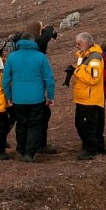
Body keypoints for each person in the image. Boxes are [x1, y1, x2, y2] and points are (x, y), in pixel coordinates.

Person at [1, 32, 55, 162]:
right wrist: (50, 96)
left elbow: (5, 80)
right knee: (35, 124)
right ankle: (30, 152)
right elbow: (49, 79)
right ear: (33, 42)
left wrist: (9, 95)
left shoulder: (12, 57)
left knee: (21, 123)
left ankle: (22, 149)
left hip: (18, 97)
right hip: (37, 97)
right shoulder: (41, 57)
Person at [69, 32, 105, 160]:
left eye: (78, 43)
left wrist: (76, 71)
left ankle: (90, 150)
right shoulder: (84, 56)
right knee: (81, 125)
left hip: (90, 100)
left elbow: (93, 79)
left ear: (86, 43)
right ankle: (89, 147)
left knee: (87, 126)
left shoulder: (94, 58)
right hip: (83, 97)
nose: (76, 46)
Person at [34, 23, 59, 155]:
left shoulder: (24, 44)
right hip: (35, 90)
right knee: (41, 115)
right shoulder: (36, 42)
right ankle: (38, 145)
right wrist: (47, 29)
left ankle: (31, 145)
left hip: (23, 91)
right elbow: (45, 37)